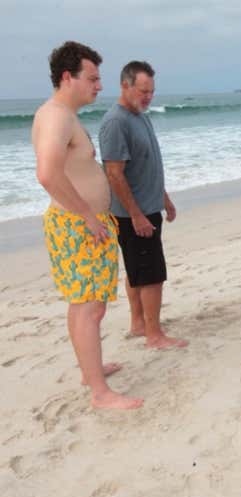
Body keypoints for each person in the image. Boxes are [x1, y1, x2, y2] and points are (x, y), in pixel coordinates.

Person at [32, 41, 143, 410]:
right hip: (77, 226)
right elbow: (47, 175)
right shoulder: (56, 117)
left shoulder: (64, 115)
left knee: (88, 307)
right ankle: (99, 393)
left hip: (81, 223)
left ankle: (89, 371)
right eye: (92, 78)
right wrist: (87, 216)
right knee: (88, 308)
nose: (99, 86)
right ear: (68, 77)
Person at [99, 61, 188, 349]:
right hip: (133, 214)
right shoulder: (116, 122)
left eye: (151, 91)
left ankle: (139, 323)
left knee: (137, 270)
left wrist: (164, 198)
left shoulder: (140, 115)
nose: (148, 96)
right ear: (125, 86)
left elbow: (146, 165)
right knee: (151, 275)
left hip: (148, 208)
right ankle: (154, 335)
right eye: (143, 91)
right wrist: (136, 215)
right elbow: (114, 173)